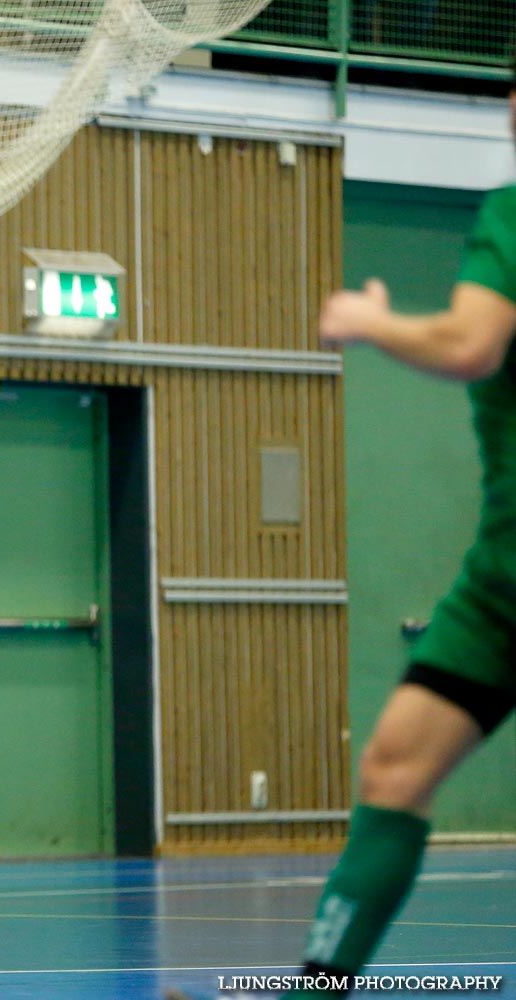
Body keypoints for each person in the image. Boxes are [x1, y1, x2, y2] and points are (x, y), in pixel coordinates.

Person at [169, 50, 516, 1000]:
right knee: (397, 764)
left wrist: (371, 321)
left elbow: (470, 341)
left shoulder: (512, 215)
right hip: (502, 581)